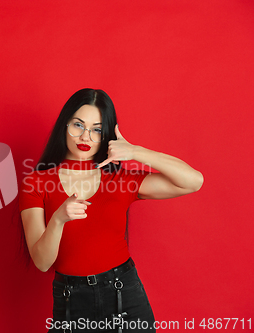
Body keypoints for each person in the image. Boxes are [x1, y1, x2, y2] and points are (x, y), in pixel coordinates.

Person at [18, 88, 204, 333]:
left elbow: (193, 181)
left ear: (105, 134)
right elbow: (42, 262)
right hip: (71, 302)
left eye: (96, 129)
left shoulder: (120, 179)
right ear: (65, 125)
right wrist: (58, 220)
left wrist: (136, 152)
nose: (86, 137)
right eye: (78, 125)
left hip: (124, 296)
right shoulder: (37, 183)